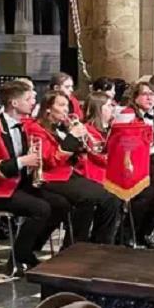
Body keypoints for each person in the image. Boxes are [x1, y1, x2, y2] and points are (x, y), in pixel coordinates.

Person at [0, 80, 68, 275]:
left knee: (61, 204)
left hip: (18, 185)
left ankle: (28, 250)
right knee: (40, 209)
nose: (33, 102)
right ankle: (16, 259)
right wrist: (23, 161)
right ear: (14, 103)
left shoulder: (26, 125)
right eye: (28, 99)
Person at [31, 91, 122, 245]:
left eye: (67, 105)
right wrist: (72, 137)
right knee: (96, 197)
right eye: (61, 105)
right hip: (51, 177)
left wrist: (80, 140)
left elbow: (78, 153)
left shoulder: (60, 128)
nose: (66, 109)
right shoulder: (37, 128)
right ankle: (81, 246)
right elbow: (51, 160)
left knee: (112, 196)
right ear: (48, 109)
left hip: (67, 174)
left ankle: (97, 244)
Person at [127, 81, 154, 247]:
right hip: (136, 160)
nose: (150, 98)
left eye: (153, 94)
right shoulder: (128, 115)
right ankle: (134, 231)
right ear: (135, 97)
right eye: (145, 94)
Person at [78, 92, 113, 185]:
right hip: (96, 173)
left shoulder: (110, 127)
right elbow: (100, 157)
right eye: (109, 106)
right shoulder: (87, 131)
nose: (112, 109)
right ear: (99, 109)